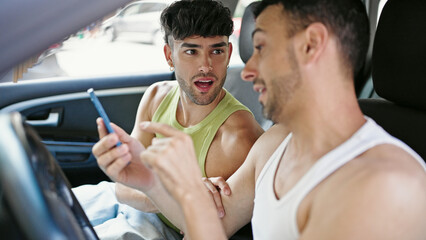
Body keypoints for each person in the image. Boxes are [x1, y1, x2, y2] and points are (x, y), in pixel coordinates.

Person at [97, 0, 426, 239]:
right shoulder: (274, 145)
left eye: (262, 47)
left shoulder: (387, 186)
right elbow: (213, 229)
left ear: (311, 46)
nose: (248, 69)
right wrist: (150, 181)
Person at [74, 0, 263, 239]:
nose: (206, 66)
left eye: (217, 50)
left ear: (228, 54)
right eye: (191, 51)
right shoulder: (156, 95)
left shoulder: (237, 138)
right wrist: (170, 192)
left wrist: (151, 190)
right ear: (169, 55)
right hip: (123, 205)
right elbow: (123, 188)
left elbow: (194, 225)